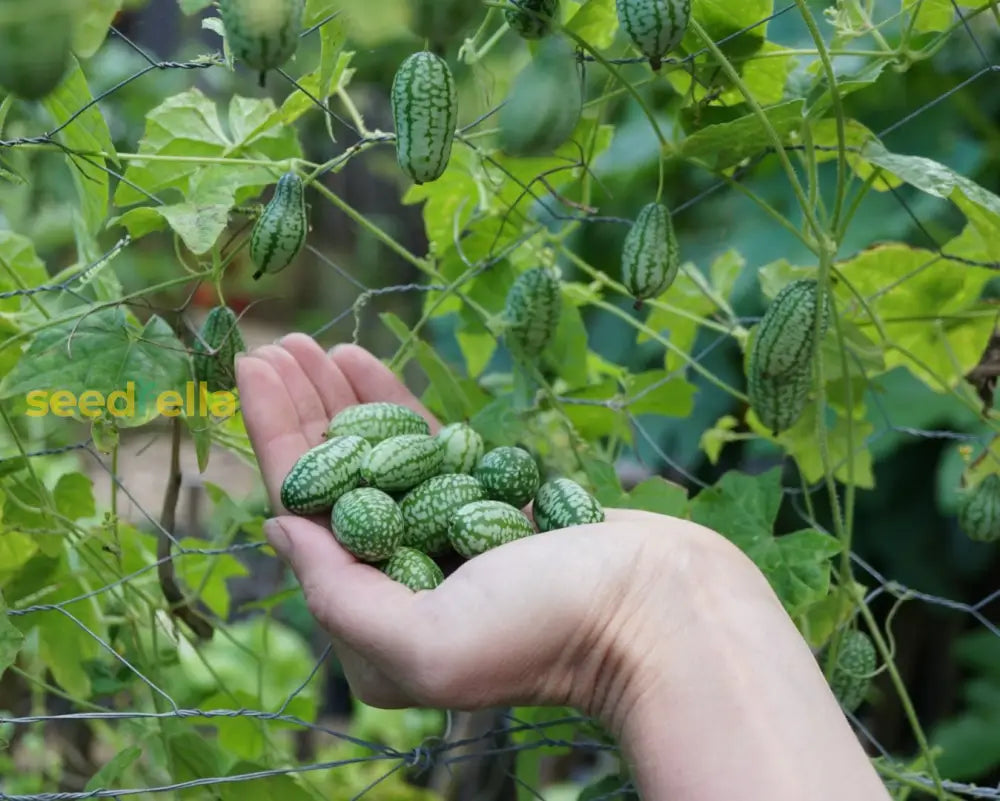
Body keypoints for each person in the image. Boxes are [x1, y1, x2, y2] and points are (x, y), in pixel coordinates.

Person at [235, 334, 892, 801]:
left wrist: (648, 598)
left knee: (459, 517)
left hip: (428, 496)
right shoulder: (399, 480)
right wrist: (664, 598)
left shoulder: (430, 487)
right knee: (455, 516)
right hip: (418, 494)